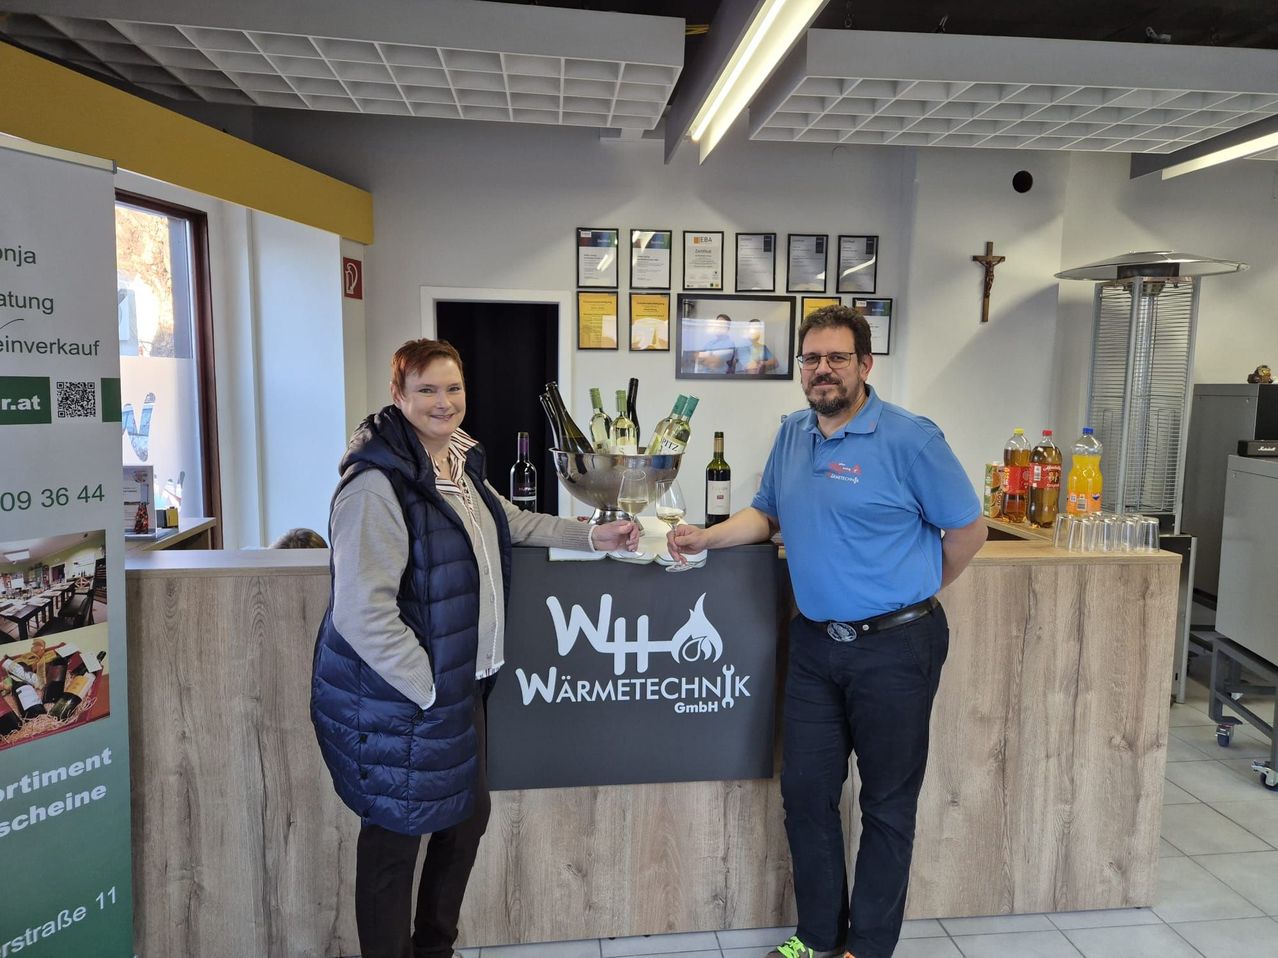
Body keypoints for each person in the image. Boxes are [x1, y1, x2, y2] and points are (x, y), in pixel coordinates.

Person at [668, 305, 986, 958]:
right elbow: (766, 514)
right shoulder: (792, 434)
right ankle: (816, 938)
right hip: (814, 644)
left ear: (865, 365)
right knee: (806, 796)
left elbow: (968, 531)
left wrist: (913, 594)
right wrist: (706, 537)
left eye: (837, 358)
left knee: (887, 807)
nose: (822, 370)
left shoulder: (911, 439)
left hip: (898, 646)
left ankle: (864, 949)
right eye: (811, 359)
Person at [310, 338, 638, 958]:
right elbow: (361, 611)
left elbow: (508, 522)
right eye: (427, 389)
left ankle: (435, 947)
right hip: (402, 698)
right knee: (392, 843)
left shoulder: (458, 464)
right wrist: (428, 686)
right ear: (398, 395)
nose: (444, 402)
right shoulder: (376, 485)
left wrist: (594, 535)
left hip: (462, 686)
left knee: (464, 822)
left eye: (453, 388)